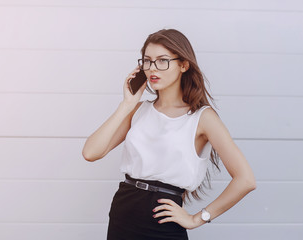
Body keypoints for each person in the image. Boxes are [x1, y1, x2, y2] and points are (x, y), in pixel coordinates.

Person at [82, 29, 256, 240]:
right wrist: (126, 104)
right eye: (147, 61)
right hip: (123, 212)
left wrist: (197, 219)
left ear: (183, 65)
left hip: (162, 222)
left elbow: (245, 180)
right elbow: (91, 152)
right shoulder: (138, 110)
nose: (152, 68)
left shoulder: (202, 118)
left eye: (162, 61)